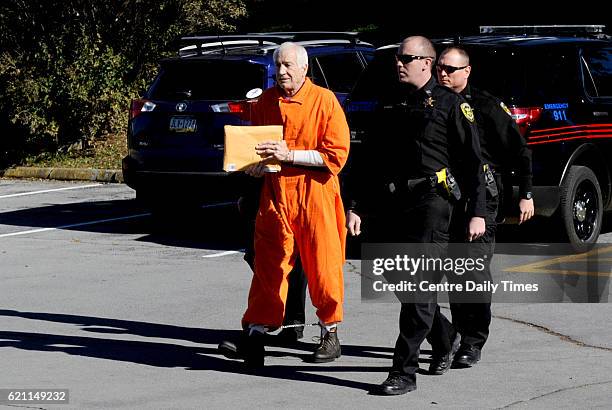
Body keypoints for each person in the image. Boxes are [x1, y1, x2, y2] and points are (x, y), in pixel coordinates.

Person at [346, 36, 486, 395]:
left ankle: (403, 371)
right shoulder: (390, 102)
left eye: (406, 58)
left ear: (427, 62)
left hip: (432, 203)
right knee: (396, 279)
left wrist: (477, 212)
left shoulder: (451, 105)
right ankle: (446, 335)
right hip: (392, 203)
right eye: (397, 57)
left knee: (420, 287)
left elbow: (473, 164)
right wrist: (357, 205)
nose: (399, 63)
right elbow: (371, 159)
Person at [226, 42, 350, 368]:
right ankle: (254, 334)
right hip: (276, 193)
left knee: (323, 267)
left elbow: (336, 155)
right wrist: (254, 166)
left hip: (316, 193)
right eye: (278, 65)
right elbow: (260, 150)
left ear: (304, 69)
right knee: (269, 267)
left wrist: (290, 155)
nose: (281, 72)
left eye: (288, 66)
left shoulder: (324, 101)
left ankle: (330, 333)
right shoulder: (266, 102)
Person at [431, 46, 534, 367]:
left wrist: (525, 194)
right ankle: (455, 331)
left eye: (450, 68)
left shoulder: (487, 107)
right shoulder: (433, 103)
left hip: (483, 198)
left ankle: (473, 340)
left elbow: (520, 153)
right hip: (448, 197)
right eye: (440, 68)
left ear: (467, 71)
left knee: (472, 271)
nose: (443, 74)